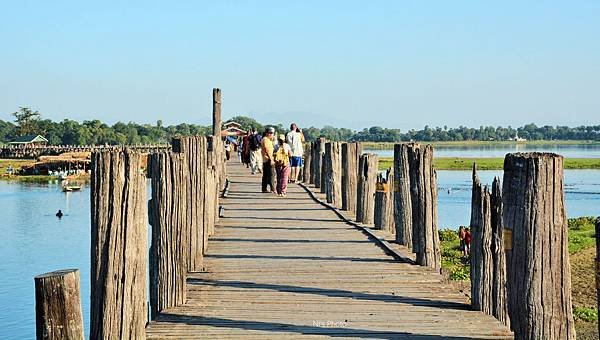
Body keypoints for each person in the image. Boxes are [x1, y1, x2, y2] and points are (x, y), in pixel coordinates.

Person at [261, 127, 276, 193]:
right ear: (267, 133)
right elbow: (267, 150)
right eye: (270, 133)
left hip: (266, 159)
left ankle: (264, 188)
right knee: (272, 175)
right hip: (268, 159)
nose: (272, 134)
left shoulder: (267, 140)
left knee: (266, 175)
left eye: (272, 133)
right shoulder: (266, 140)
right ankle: (273, 189)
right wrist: (271, 159)